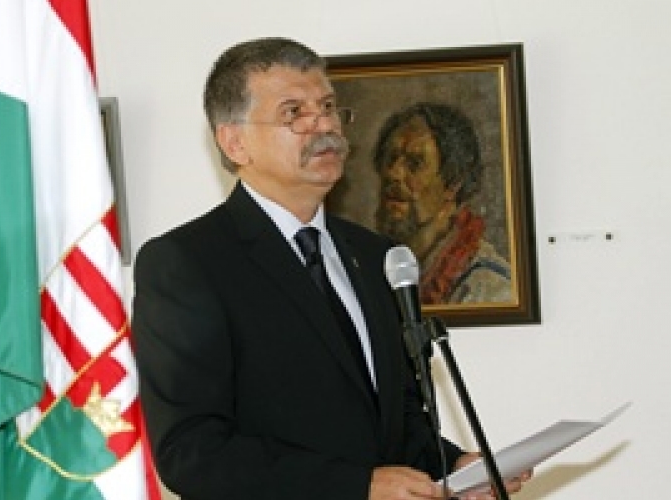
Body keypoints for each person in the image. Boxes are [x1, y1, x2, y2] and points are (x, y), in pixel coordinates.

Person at [132, 37, 529, 500]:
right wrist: (356, 486)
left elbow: (397, 420)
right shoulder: (187, 262)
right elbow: (192, 453)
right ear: (235, 142)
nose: (323, 125)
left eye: (327, 107)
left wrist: (453, 467)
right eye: (293, 113)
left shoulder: (376, 255)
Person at [373, 103, 512, 304]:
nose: (393, 173)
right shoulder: (372, 268)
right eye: (391, 158)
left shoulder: (487, 287)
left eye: (414, 163)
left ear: (453, 183)